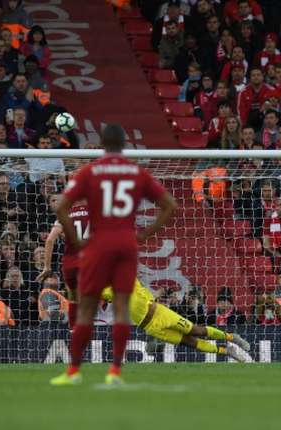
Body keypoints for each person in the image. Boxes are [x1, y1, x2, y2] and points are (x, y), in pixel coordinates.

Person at [50, 124, 176, 386]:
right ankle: (115, 372)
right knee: (120, 309)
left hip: (98, 244)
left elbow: (61, 206)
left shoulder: (91, 171)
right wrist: (145, 234)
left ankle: (73, 372)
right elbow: (168, 205)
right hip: (126, 244)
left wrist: (75, 239)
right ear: (123, 146)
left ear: (104, 145)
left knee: (85, 309)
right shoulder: (135, 172)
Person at [104, 280, 250, 360]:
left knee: (195, 330)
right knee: (190, 342)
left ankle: (232, 337)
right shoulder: (106, 290)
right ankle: (226, 351)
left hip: (160, 313)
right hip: (150, 327)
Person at [37, 199, 89, 328]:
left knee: (73, 300)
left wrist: (47, 266)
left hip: (71, 263)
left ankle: (74, 331)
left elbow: (49, 240)